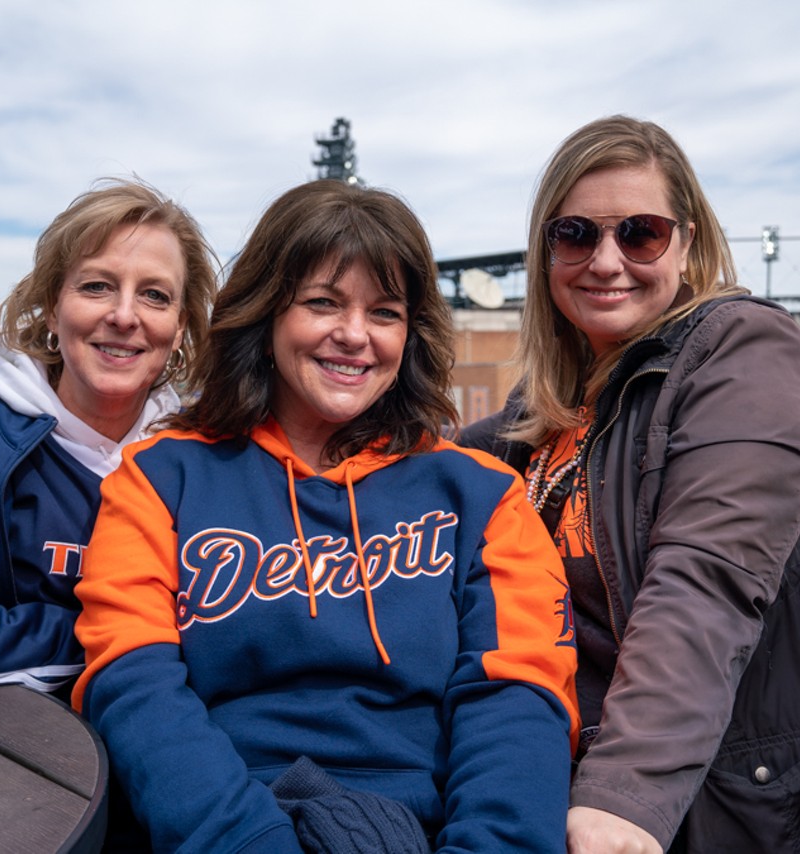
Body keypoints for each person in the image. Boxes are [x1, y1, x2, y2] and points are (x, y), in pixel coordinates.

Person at [459, 115, 800, 853]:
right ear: (547, 254)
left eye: (641, 233)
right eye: (577, 235)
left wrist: (625, 792)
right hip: (574, 789)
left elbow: (707, 577)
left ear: (687, 244)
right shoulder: (540, 414)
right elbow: (422, 472)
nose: (607, 260)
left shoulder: (743, 350)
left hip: (745, 802)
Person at [73, 179, 579, 853]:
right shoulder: (158, 480)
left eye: (385, 312)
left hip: (425, 832)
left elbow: (518, 707)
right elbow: (135, 691)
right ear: (268, 314)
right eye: (323, 303)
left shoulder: (483, 496)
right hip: (222, 830)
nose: (354, 336)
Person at [0, 177, 216, 694]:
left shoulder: (199, 453)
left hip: (161, 732)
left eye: (154, 295)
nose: (124, 316)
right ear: (53, 306)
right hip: (2, 750)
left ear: (180, 325)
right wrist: (130, 639)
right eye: (96, 285)